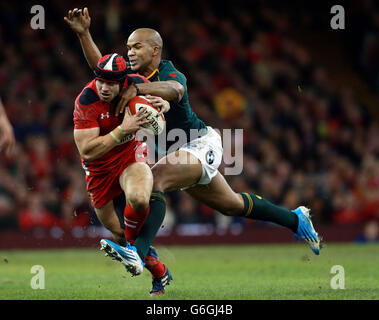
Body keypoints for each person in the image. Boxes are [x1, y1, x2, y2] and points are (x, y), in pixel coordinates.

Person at [65, 7, 321, 286]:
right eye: (128, 48)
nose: (130, 53)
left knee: (155, 180)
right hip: (172, 153)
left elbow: (175, 91)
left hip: (199, 144)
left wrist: (143, 92)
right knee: (232, 204)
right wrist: (84, 34)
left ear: (155, 50)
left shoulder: (168, 72)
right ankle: (296, 220)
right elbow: (102, 70)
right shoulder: (127, 79)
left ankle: (136, 254)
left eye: (137, 47)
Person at [73, 53, 173, 291]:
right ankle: (158, 270)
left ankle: (136, 253)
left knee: (139, 198)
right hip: (98, 171)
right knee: (119, 234)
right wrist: (122, 130)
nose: (105, 88)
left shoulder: (136, 82)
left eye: (111, 83)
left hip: (130, 155)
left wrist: (165, 104)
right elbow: (87, 151)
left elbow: (170, 91)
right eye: (101, 81)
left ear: (123, 82)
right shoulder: (86, 101)